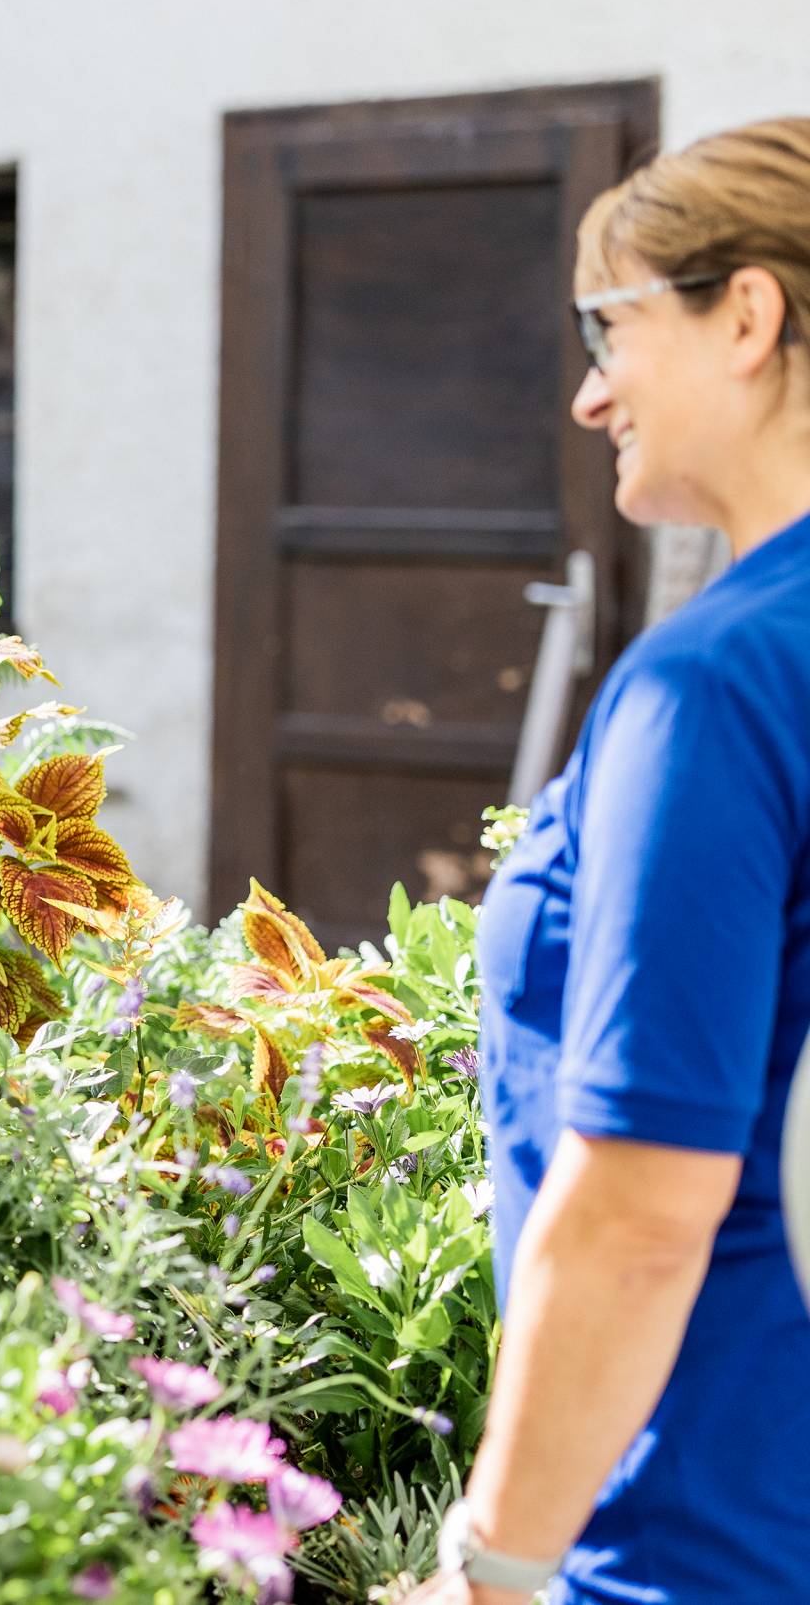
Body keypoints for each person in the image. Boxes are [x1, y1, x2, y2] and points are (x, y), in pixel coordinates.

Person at [420, 118, 810, 1603]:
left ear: (750, 317)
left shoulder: (712, 687)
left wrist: (491, 1569)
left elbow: (644, 1205)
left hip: (700, 1538)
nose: (590, 394)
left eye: (614, 326)